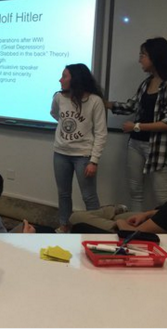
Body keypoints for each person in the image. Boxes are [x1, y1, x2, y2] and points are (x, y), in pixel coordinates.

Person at [106, 37, 167, 211]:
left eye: (143, 55)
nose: (139, 60)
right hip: (135, 144)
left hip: (158, 148)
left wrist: (136, 126)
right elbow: (131, 106)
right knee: (135, 192)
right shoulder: (146, 83)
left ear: (155, 57)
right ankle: (135, 224)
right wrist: (104, 103)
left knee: (162, 198)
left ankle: (161, 227)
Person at [70, 129, 167, 235]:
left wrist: (120, 223)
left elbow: (133, 233)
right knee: (122, 216)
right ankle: (112, 212)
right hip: (152, 219)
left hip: (130, 235)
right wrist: (147, 214)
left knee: (76, 218)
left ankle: (111, 211)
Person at [50, 64, 108, 232]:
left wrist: (94, 161)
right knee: (63, 194)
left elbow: (101, 133)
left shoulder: (94, 101)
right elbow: (55, 114)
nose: (60, 80)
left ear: (75, 79)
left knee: (89, 196)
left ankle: (96, 229)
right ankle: (64, 225)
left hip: (84, 156)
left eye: (64, 76)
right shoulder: (59, 98)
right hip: (61, 153)